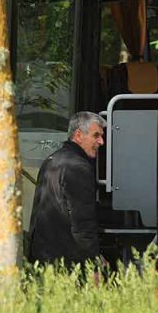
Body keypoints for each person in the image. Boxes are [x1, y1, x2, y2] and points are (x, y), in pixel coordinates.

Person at [26, 111, 106, 267]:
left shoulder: (51, 160)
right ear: (78, 135)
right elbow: (82, 223)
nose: (101, 142)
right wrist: (93, 262)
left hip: (43, 256)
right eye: (96, 135)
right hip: (66, 261)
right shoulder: (78, 167)